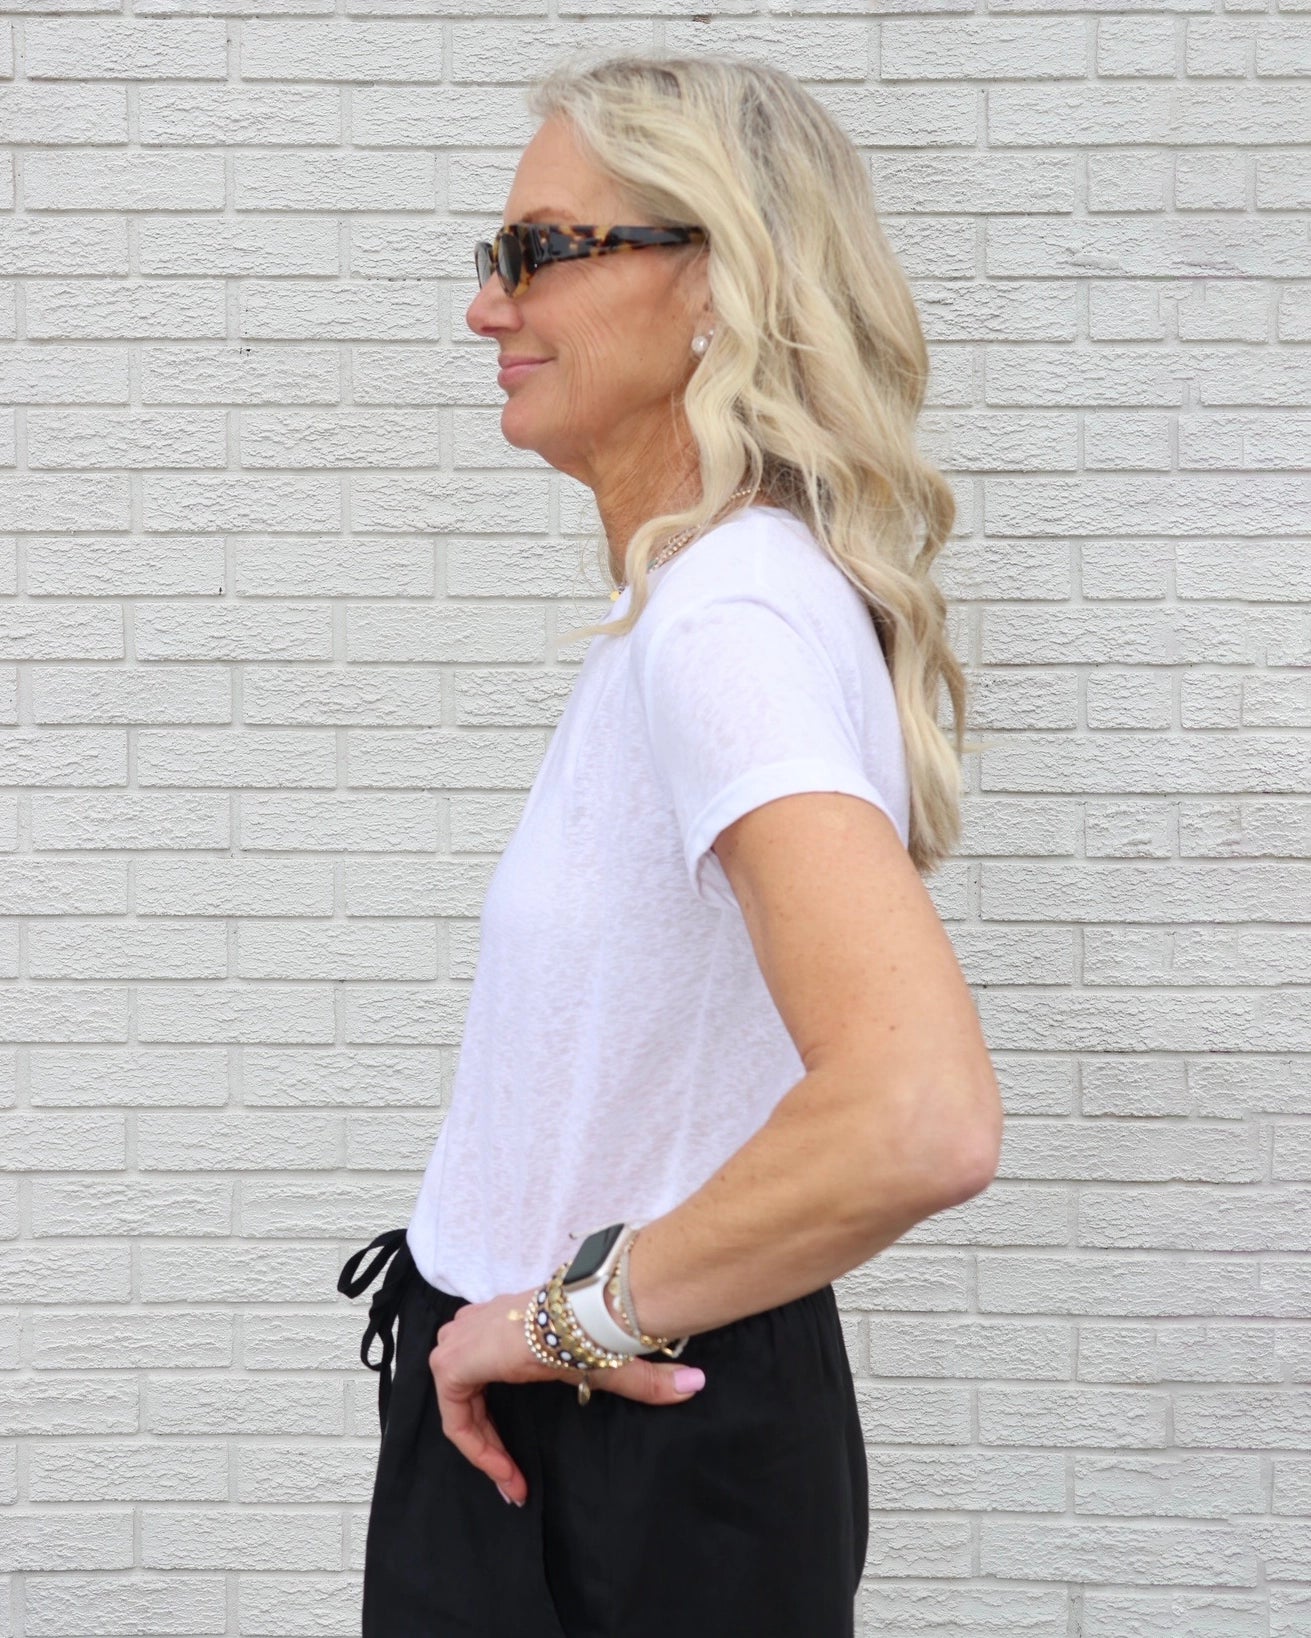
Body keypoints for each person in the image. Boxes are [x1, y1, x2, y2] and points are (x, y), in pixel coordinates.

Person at [337, 50, 1002, 1638]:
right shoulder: (697, 599)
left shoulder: (729, 611)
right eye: (493, 258)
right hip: (608, 1446)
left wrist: (564, 1320)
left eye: (541, 252)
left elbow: (918, 1112)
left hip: (615, 1467)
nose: (489, 308)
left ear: (718, 281)